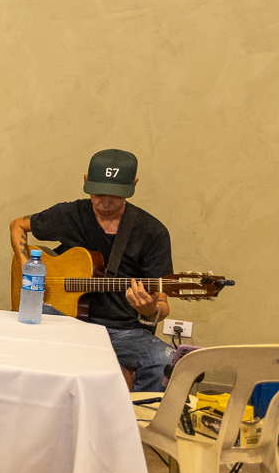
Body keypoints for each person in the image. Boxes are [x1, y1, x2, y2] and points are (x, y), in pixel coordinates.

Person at [9, 149, 173, 391]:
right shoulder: (70, 214)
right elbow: (18, 225)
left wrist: (150, 311)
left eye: (115, 196)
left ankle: (135, 414)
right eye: (98, 193)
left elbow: (162, 306)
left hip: (123, 331)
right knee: (23, 332)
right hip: (65, 322)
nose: (105, 202)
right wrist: (26, 266)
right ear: (86, 181)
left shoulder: (152, 232)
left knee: (166, 360)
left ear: (133, 185)